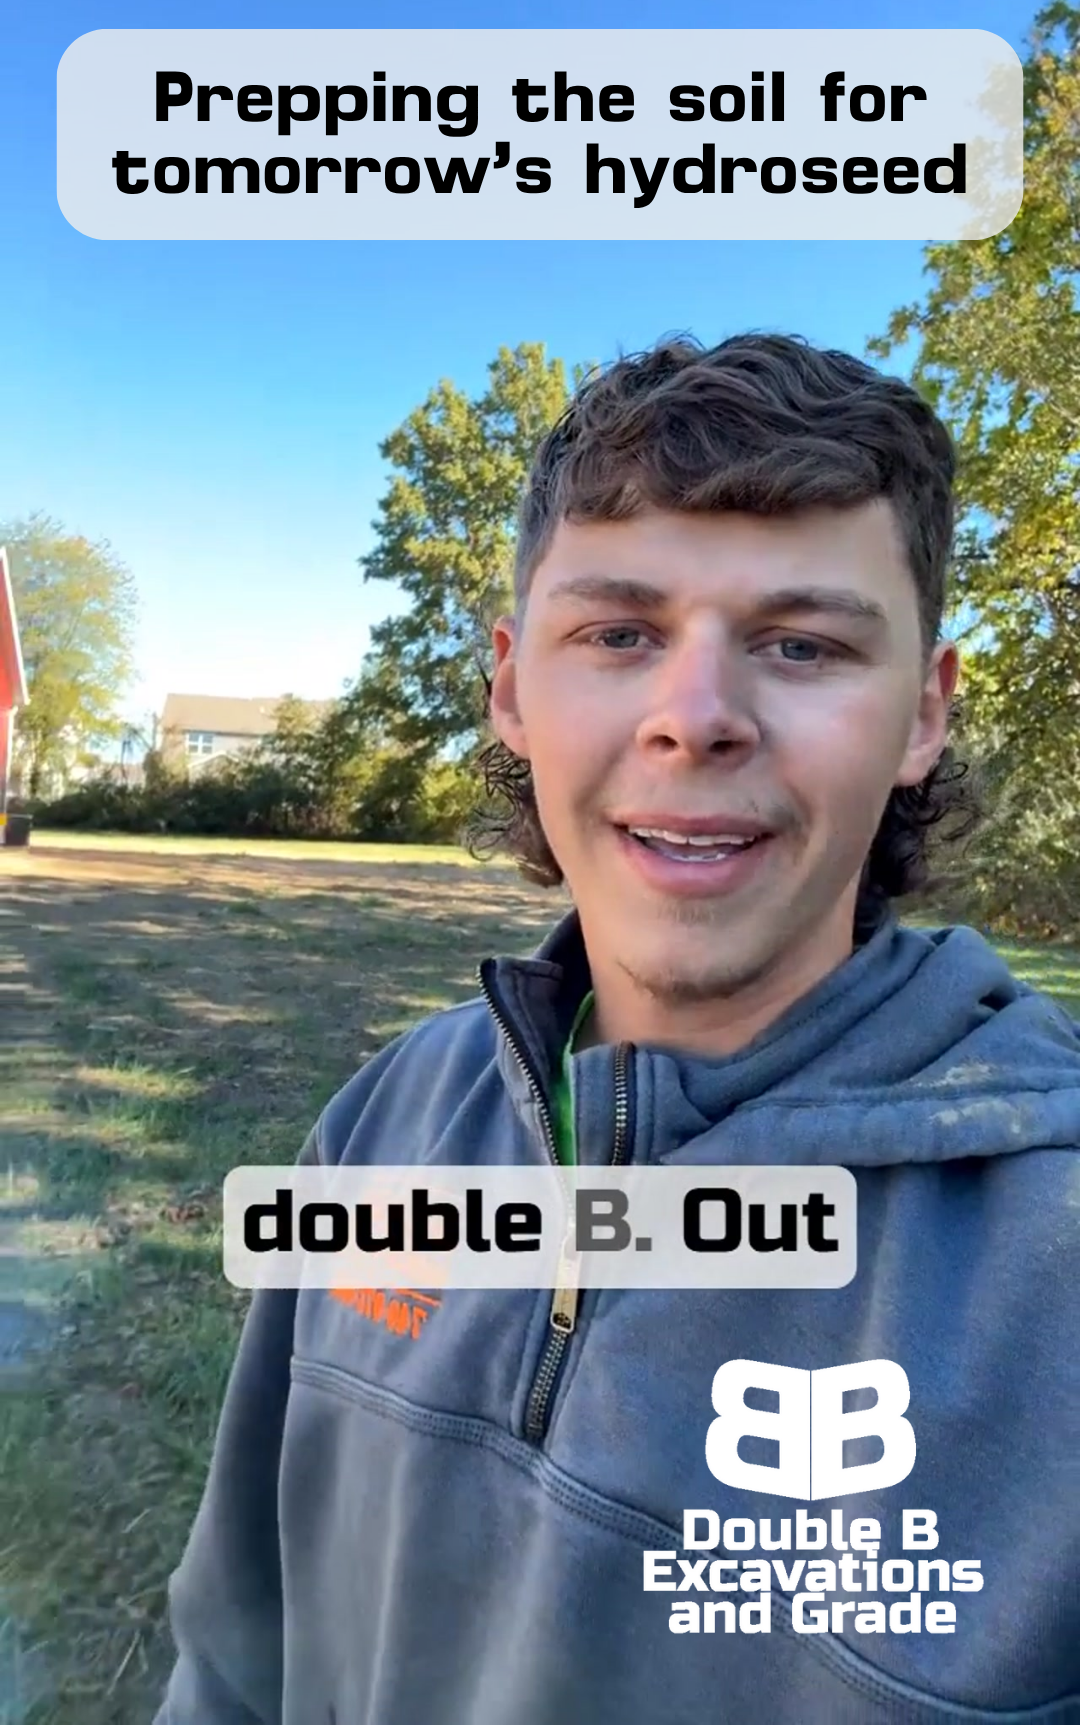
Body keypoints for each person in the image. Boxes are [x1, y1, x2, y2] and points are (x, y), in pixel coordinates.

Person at [152, 334, 1080, 1724]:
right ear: (511, 688)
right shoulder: (380, 1128)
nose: (695, 719)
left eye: (803, 645)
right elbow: (237, 1654)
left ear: (923, 715)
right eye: (620, 635)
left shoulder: (1051, 1265)